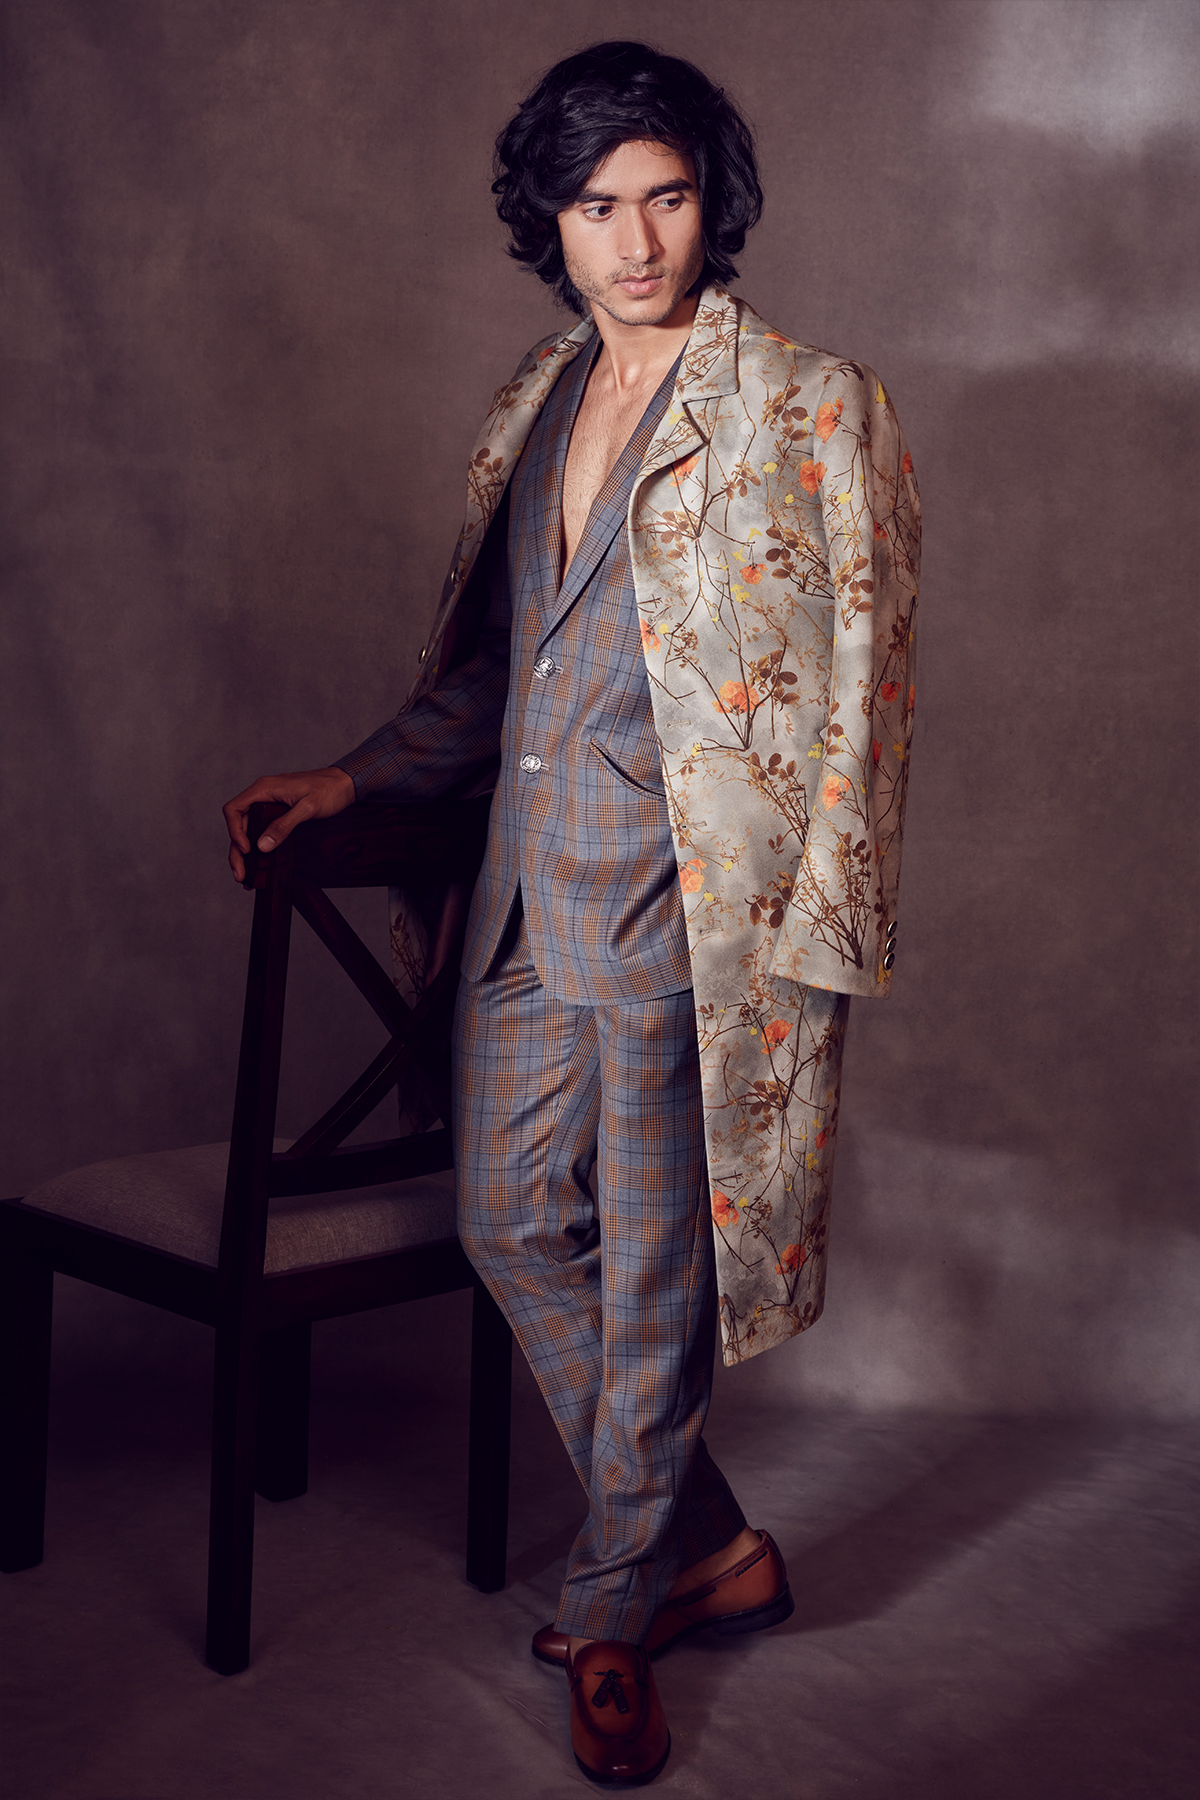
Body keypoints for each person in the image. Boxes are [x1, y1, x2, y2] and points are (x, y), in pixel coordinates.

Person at [224, 40, 919, 1788]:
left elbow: (869, 686)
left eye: (665, 197)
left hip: (692, 922)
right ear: (550, 219)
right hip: (526, 900)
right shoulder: (540, 392)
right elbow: (503, 673)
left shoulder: (805, 402)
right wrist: (359, 779)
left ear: (711, 202)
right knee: (511, 1220)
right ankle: (711, 1543)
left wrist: (818, 936)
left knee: (656, 1272)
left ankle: (612, 1612)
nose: (636, 240)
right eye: (598, 205)